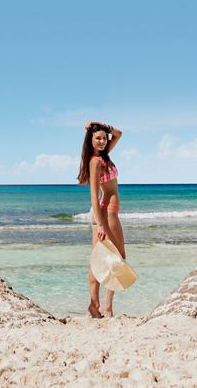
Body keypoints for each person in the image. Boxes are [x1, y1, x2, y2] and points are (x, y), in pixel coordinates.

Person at [77, 120, 124, 318]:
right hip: (106, 212)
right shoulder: (95, 162)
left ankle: (95, 305)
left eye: (104, 138)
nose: (103, 141)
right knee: (117, 258)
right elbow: (94, 196)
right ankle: (105, 307)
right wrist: (101, 224)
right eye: (98, 138)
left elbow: (119, 133)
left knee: (100, 259)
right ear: (90, 139)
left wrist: (99, 124)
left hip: (109, 211)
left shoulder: (105, 156)